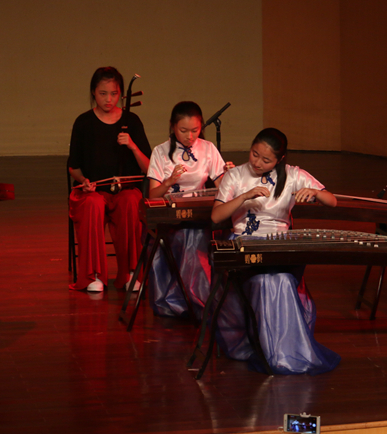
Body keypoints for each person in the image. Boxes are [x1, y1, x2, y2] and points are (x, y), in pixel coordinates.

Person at [210, 127, 341, 374]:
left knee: (280, 279)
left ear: (280, 160)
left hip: (280, 246)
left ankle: (286, 353)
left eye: (266, 160)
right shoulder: (235, 176)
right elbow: (216, 216)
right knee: (268, 282)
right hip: (244, 243)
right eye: (254, 154)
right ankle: (275, 353)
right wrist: (244, 197)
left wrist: (315, 192)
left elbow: (332, 201)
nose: (257, 163)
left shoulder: (293, 175)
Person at [68, 67, 151, 292]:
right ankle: (92, 275)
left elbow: (148, 168)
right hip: (92, 192)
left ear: (121, 94)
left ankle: (130, 272)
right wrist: (84, 181)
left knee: (131, 203)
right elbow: (73, 167)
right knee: (93, 204)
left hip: (125, 190)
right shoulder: (83, 122)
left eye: (114, 94)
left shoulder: (131, 121)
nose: (108, 99)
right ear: (93, 93)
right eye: (103, 93)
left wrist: (132, 146)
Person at [146, 101, 231, 317]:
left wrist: (230, 175)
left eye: (195, 130)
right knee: (188, 235)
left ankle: (199, 299)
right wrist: (169, 182)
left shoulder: (208, 148)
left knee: (203, 233)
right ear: (173, 126)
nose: (190, 136)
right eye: (183, 130)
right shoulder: (160, 151)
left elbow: (223, 187)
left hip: (200, 213)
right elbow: (153, 195)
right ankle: (186, 300)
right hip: (171, 217)